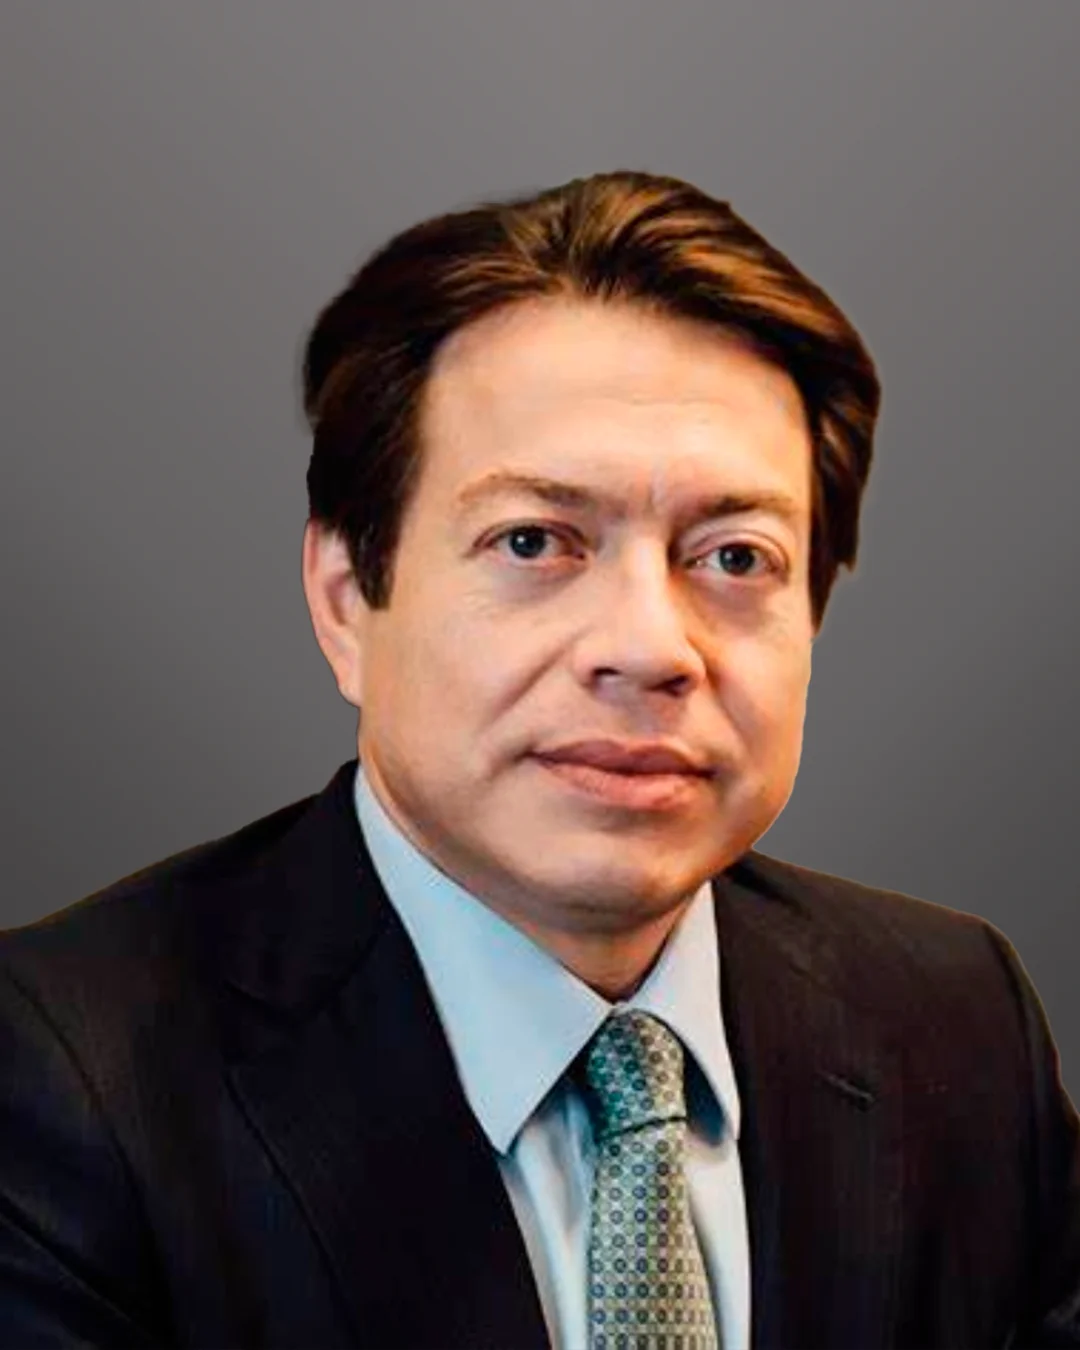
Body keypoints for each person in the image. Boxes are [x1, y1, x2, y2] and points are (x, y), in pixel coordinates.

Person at [1, 170, 1077, 1350]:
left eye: (734, 558)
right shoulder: (63, 1078)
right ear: (347, 599)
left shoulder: (959, 1021)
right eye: (534, 541)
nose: (650, 649)